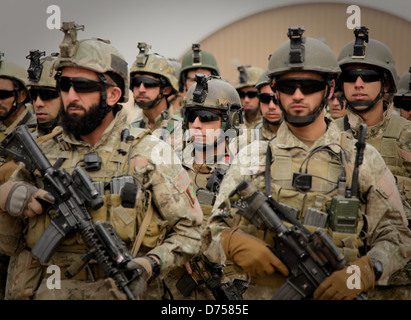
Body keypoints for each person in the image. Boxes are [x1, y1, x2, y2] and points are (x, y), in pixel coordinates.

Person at [201, 26, 411, 300]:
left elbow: (398, 235)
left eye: (309, 86)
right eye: (289, 86)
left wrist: (366, 270)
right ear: (276, 90)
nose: (298, 95)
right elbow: (209, 235)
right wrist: (230, 242)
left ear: (330, 88)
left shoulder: (363, 158)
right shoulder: (254, 156)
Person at [0, 22, 202, 300]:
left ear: (113, 95)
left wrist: (151, 263)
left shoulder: (150, 152)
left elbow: (191, 232)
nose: (70, 96)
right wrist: (6, 198)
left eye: (82, 86)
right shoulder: (42, 154)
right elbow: (10, 246)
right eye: (64, 85)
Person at [165, 74, 248, 300]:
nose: (196, 124)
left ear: (230, 121)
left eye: (206, 116)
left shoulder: (245, 173)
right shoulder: (169, 168)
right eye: (191, 116)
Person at [129, 42, 184, 154]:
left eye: (149, 83)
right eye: (136, 83)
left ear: (166, 90)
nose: (141, 89)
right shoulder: (129, 130)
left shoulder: (184, 130)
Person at [178, 43, 220, 109]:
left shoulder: (224, 114)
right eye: (193, 80)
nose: (198, 85)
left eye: (205, 79)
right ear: (184, 84)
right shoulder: (175, 117)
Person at [252, 70, 283, 141]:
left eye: (277, 99)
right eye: (265, 98)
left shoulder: (304, 136)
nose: (271, 106)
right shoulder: (249, 139)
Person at [235, 65, 265, 130]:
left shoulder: (272, 120)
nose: (246, 100)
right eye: (241, 95)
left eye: (252, 94)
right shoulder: (234, 121)